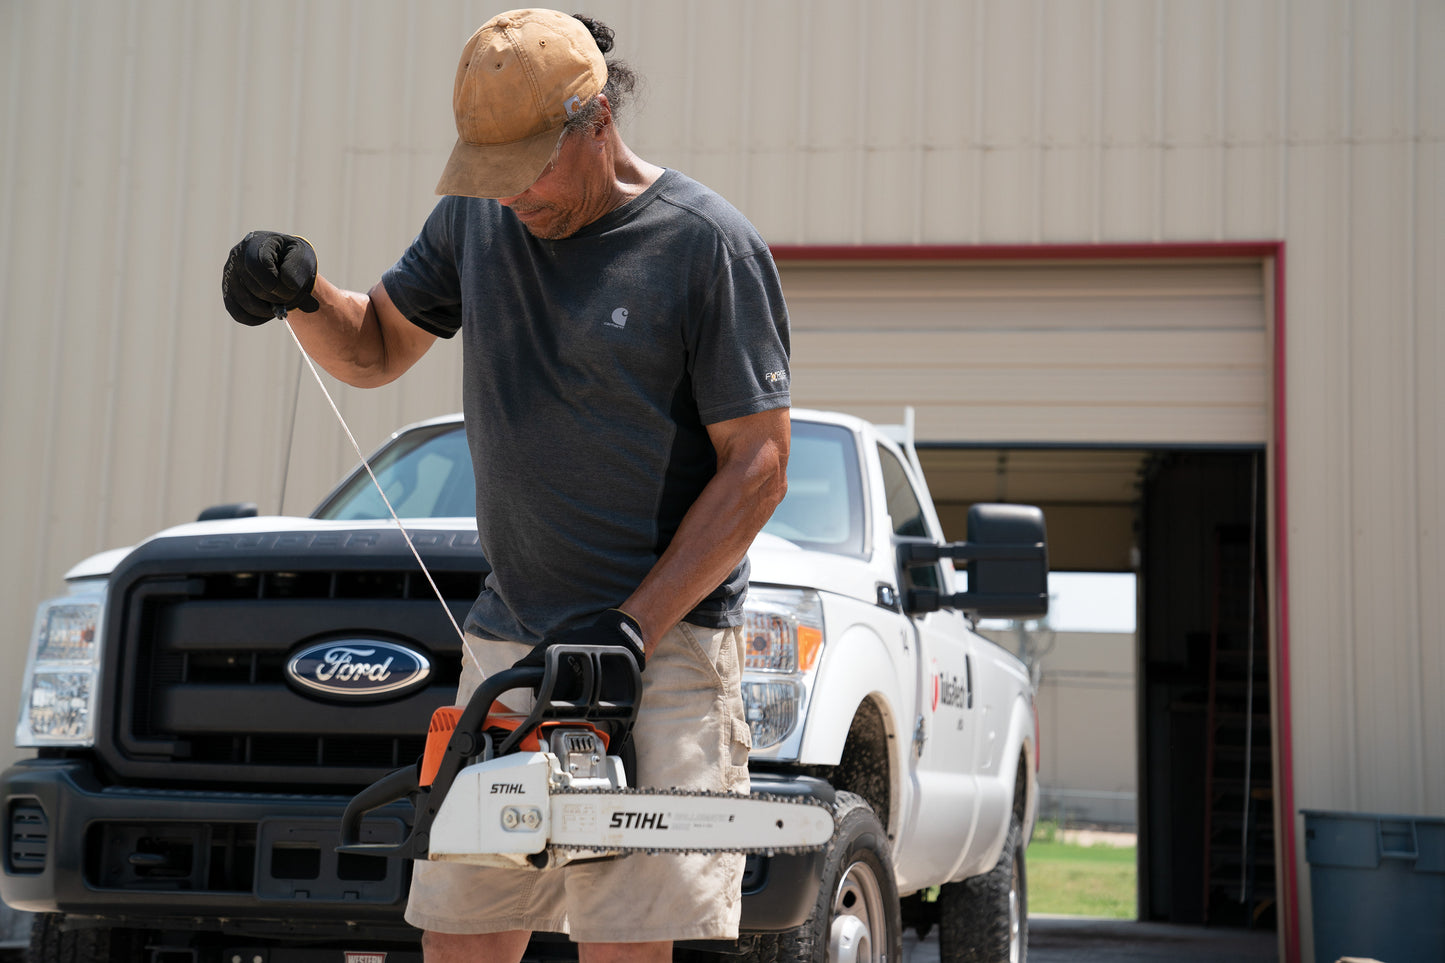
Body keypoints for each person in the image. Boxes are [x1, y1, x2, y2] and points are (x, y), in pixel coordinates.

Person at [220, 8, 790, 963]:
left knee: (624, 944)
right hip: (507, 644)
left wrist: (630, 629)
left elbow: (759, 467)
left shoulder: (704, 247)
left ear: (596, 120)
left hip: (662, 654)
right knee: (465, 934)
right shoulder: (475, 217)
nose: (510, 194)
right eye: (488, 172)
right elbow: (371, 349)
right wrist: (302, 292)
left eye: (528, 167)